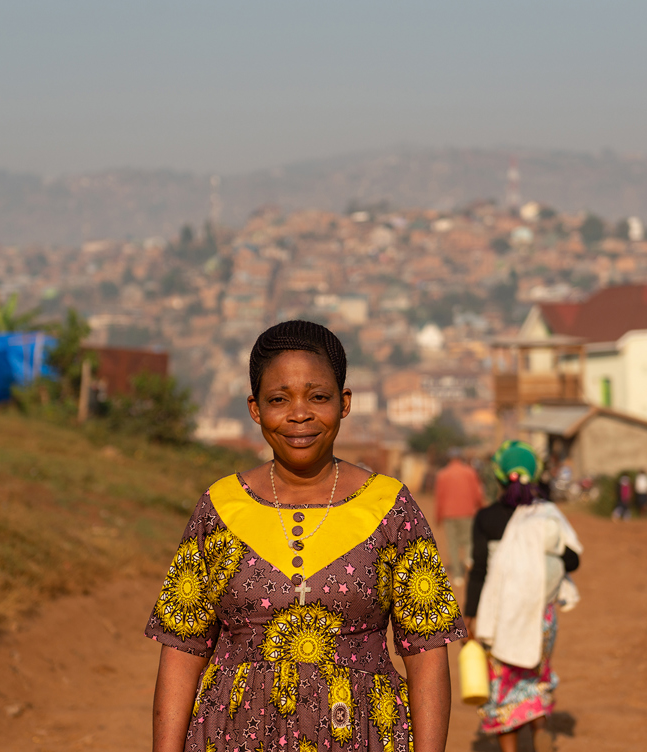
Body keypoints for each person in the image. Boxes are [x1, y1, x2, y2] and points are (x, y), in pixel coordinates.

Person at [148, 321, 465, 752]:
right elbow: (182, 649)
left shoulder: (390, 508)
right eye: (279, 399)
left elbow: (426, 653)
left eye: (318, 397)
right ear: (255, 409)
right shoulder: (219, 509)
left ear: (344, 402)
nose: (299, 414)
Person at [464, 441, 582, 752]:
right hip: (539, 618)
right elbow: (573, 560)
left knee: (502, 686)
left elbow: (478, 570)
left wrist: (470, 615)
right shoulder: (546, 516)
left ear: (500, 478)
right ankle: (540, 743)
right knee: (536, 681)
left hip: (497, 616)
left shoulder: (486, 518)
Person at [434, 448, 484, 587]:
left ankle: (457, 575)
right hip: (468, 511)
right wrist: (480, 507)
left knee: (453, 544)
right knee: (468, 540)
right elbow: (477, 493)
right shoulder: (470, 472)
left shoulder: (442, 474)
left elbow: (439, 497)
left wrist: (438, 516)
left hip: (449, 514)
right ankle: (468, 558)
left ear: (449, 459)